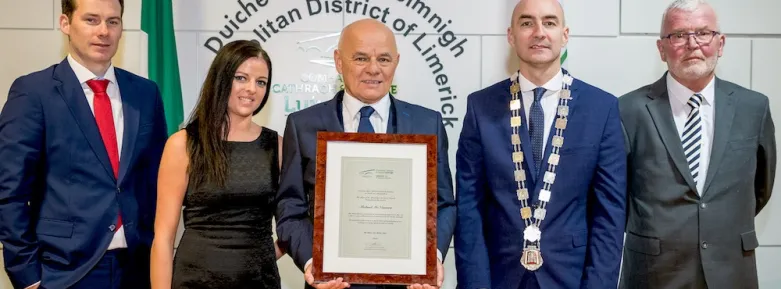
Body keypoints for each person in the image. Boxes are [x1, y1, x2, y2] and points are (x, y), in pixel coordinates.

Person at [454, 0, 627, 288]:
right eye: (526, 23)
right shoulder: (480, 107)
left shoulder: (601, 108)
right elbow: (469, 209)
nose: (539, 32)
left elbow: (609, 214)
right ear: (511, 36)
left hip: (572, 278)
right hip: (500, 278)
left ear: (565, 34)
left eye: (549, 22)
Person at [275, 18, 455, 289]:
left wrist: (432, 258)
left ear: (396, 62)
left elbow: (443, 204)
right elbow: (290, 207)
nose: (373, 69)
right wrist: (313, 261)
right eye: (360, 58)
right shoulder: (302, 125)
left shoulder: (428, 124)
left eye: (384, 59)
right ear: (338, 61)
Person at [0, 0, 167, 288]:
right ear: (65, 23)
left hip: (137, 269)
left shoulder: (145, 93)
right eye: (91, 20)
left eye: (113, 22)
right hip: (63, 272)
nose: (104, 31)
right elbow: (9, 191)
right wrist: (27, 274)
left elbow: (157, 180)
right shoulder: (33, 93)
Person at [618, 1, 776, 288]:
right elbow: (617, 196)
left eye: (703, 33)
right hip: (654, 272)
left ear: (721, 43)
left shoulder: (754, 108)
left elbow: (760, 190)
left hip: (731, 271)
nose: (692, 44)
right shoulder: (627, 110)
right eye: (678, 35)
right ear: (661, 48)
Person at [150, 40, 285, 289]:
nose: (251, 89)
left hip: (259, 284)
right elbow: (163, 238)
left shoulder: (277, 146)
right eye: (241, 78)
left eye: (261, 82)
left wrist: (263, 257)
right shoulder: (183, 144)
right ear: (221, 79)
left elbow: (296, 220)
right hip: (194, 282)